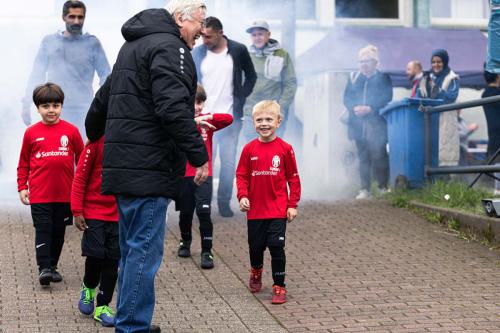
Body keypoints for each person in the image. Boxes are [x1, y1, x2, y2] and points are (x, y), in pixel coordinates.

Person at [84, 1, 209, 332]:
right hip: (149, 169)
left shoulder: (134, 44)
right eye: (201, 20)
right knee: (143, 253)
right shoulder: (173, 48)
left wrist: (93, 131)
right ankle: (132, 327)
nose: (204, 29)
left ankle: (129, 319)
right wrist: (199, 154)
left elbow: (104, 97)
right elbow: (171, 108)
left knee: (131, 249)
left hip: (124, 168)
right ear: (182, 18)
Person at [17, 82, 84, 287]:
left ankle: (53, 266)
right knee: (44, 228)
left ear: (61, 107)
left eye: (55, 105)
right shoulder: (31, 133)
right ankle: (43, 268)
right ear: (38, 108)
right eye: (46, 106)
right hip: (40, 194)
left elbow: (82, 162)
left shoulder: (71, 131)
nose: (51, 110)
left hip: (65, 195)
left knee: (59, 232)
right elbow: (23, 163)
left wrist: (83, 191)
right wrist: (22, 187)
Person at [236, 100, 301, 305]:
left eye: (269, 119)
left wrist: (292, 205)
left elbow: (293, 178)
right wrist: (243, 195)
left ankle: (279, 286)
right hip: (255, 211)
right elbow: (241, 175)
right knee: (256, 248)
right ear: (253, 123)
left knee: (276, 247)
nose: (264, 123)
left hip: (277, 210)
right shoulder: (248, 149)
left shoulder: (285, 149)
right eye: (259, 120)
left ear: (278, 121)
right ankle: (256, 271)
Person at [192, 16, 257, 218]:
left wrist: (242, 95)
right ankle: (203, 204)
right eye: (203, 36)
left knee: (228, 163)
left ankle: (224, 203)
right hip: (204, 118)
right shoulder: (198, 52)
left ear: (220, 33)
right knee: (204, 161)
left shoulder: (238, 50)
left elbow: (251, 75)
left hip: (230, 117)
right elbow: (191, 80)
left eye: (209, 37)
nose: (205, 40)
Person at [22, 0, 110, 137]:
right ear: (64, 17)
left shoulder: (92, 43)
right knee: (57, 153)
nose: (76, 21)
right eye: (72, 17)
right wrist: (26, 104)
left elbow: (106, 76)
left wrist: (104, 105)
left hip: (84, 111)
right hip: (55, 110)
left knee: (81, 153)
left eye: (80, 17)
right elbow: (36, 75)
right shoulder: (49, 42)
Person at [176, 84, 233, 268]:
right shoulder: (177, 123)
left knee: (204, 213)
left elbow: (229, 119)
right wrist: (191, 122)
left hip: (204, 176)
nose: (197, 106)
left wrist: (206, 117)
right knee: (185, 213)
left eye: (200, 102)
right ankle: (185, 241)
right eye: (193, 102)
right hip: (184, 176)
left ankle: (207, 251)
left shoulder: (206, 124)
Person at [71, 135, 119, 327]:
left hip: (119, 215)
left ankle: (103, 307)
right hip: (94, 213)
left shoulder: (128, 139)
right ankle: (88, 287)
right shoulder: (94, 145)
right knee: (96, 256)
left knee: (112, 261)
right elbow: (80, 178)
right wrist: (77, 211)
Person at [343, 45, 393, 199]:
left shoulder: (383, 78)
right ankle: (365, 189)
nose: (363, 64)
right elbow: (346, 98)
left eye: (367, 61)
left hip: (376, 124)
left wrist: (371, 108)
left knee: (379, 155)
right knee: (363, 157)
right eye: (361, 61)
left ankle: (383, 187)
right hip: (357, 125)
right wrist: (354, 107)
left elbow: (387, 97)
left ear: (375, 62)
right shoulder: (353, 78)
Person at [243, 20, 297, 141]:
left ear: (268, 34)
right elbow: (239, 84)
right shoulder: (245, 55)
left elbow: (290, 83)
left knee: (272, 151)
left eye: (260, 34)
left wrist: (281, 107)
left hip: (274, 112)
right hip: (250, 113)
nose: (257, 37)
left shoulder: (282, 54)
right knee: (254, 152)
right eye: (254, 35)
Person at [419, 49, 460, 167]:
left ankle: (446, 183)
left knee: (444, 157)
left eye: (439, 62)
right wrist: (421, 111)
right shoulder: (426, 77)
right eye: (433, 62)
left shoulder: (453, 78)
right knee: (429, 156)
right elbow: (420, 99)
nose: (436, 65)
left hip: (445, 120)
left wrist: (435, 88)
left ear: (445, 62)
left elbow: (451, 97)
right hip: (429, 121)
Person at [482, 69, 500, 194]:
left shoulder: (485, 93)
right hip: (498, 133)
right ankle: (497, 189)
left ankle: (496, 188)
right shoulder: (496, 94)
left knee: (495, 161)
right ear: (498, 76)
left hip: (493, 133)